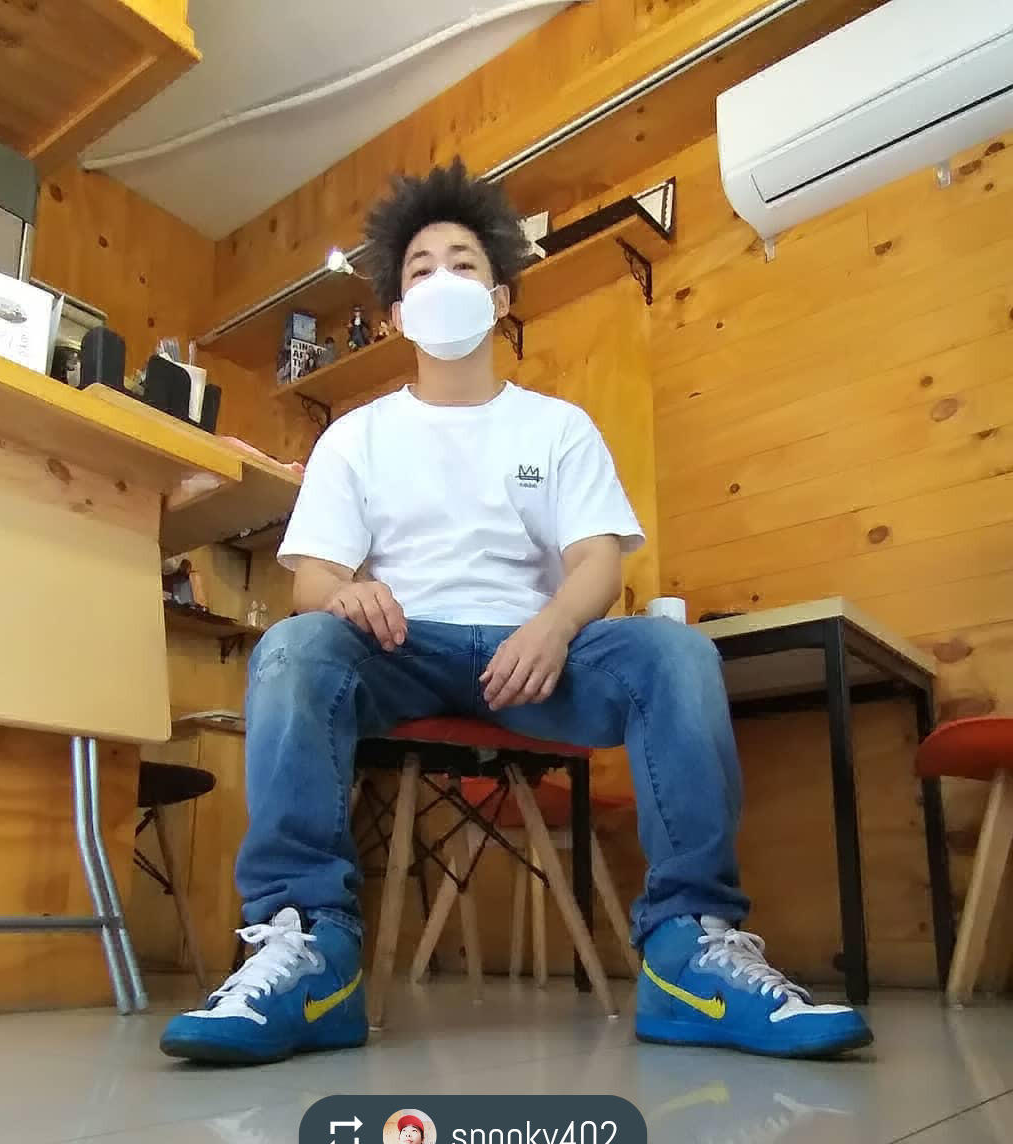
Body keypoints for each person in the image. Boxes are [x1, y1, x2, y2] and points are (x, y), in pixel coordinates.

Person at [160, 158, 873, 1066]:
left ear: (499, 300)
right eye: (421, 270)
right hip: (401, 648)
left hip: (535, 657)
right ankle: (309, 955)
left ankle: (691, 954)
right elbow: (313, 581)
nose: (443, 281)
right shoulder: (355, 436)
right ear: (396, 315)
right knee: (296, 648)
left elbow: (598, 559)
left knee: (678, 655)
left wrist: (555, 626)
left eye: (463, 264)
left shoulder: (557, 427)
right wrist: (346, 593)